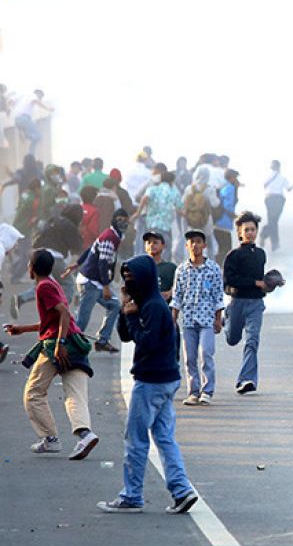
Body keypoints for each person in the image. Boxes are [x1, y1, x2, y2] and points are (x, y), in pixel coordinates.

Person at [97, 254, 198, 514]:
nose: (129, 282)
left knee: (136, 438)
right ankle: (182, 491)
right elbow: (125, 336)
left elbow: (145, 342)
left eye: (133, 277)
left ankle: (132, 496)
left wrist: (131, 315)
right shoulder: (145, 302)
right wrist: (125, 308)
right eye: (126, 277)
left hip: (152, 381)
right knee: (164, 437)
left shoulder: (154, 306)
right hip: (165, 380)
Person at [8, 249, 99, 460]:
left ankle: (50, 438)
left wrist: (60, 345)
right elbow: (53, 320)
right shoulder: (54, 283)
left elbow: (64, 315)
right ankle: (85, 435)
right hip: (75, 344)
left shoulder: (43, 287)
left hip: (57, 346)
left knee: (33, 393)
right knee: (75, 395)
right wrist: (23, 328)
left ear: (31, 268)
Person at [171, 230, 225, 406]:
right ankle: (193, 391)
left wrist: (218, 319)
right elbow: (177, 296)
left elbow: (218, 296)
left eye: (198, 241)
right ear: (187, 246)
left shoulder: (213, 269)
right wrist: (173, 317)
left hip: (207, 320)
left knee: (206, 353)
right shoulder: (182, 270)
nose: (195, 245)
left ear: (204, 245)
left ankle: (207, 391)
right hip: (188, 320)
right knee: (189, 357)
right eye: (191, 242)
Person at [66, 208, 128, 353]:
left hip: (94, 281)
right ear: (114, 220)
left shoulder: (113, 235)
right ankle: (66, 346)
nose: (123, 223)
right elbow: (102, 263)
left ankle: (102, 340)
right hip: (90, 282)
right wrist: (106, 286)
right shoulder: (110, 237)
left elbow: (91, 249)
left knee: (114, 306)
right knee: (82, 319)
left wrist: (77, 263)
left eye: (125, 221)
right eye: (120, 220)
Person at [222, 212, 268, 395]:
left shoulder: (261, 254)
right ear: (239, 233)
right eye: (246, 230)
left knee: (252, 341)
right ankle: (227, 319)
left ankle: (247, 379)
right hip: (237, 302)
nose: (250, 233)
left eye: (253, 229)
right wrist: (254, 283)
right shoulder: (233, 256)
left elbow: (261, 280)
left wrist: (269, 284)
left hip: (256, 304)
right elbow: (229, 281)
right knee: (232, 339)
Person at [134, 169, 182, 256]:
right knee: (166, 250)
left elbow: (144, 198)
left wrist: (138, 213)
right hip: (165, 227)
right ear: (172, 181)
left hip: (151, 226)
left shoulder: (152, 189)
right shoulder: (174, 191)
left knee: (151, 250)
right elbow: (180, 209)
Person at [260, 160, 292, 252]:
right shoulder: (282, 177)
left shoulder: (267, 176)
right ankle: (269, 238)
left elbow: (264, 185)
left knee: (272, 220)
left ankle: (273, 242)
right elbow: (288, 189)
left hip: (269, 198)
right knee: (274, 221)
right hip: (279, 199)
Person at [13, 89, 52, 157]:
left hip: (17, 120)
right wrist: (48, 108)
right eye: (40, 97)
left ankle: (24, 134)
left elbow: (13, 103)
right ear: (38, 94)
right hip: (24, 118)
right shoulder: (33, 96)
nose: (40, 99)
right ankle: (31, 156)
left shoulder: (24, 98)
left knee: (31, 136)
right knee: (38, 136)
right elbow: (36, 101)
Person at [213, 169, 241, 264]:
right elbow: (228, 205)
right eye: (235, 177)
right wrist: (235, 216)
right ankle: (219, 267)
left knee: (221, 247)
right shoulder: (230, 188)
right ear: (231, 178)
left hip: (217, 221)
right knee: (227, 249)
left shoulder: (222, 187)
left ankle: (217, 267)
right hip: (224, 222)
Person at [142, 231, 176, 302]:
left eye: (155, 242)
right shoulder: (139, 268)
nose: (151, 245)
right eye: (148, 242)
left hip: (165, 310)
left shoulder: (171, 268)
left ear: (163, 246)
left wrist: (170, 293)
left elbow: (181, 287)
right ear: (145, 247)